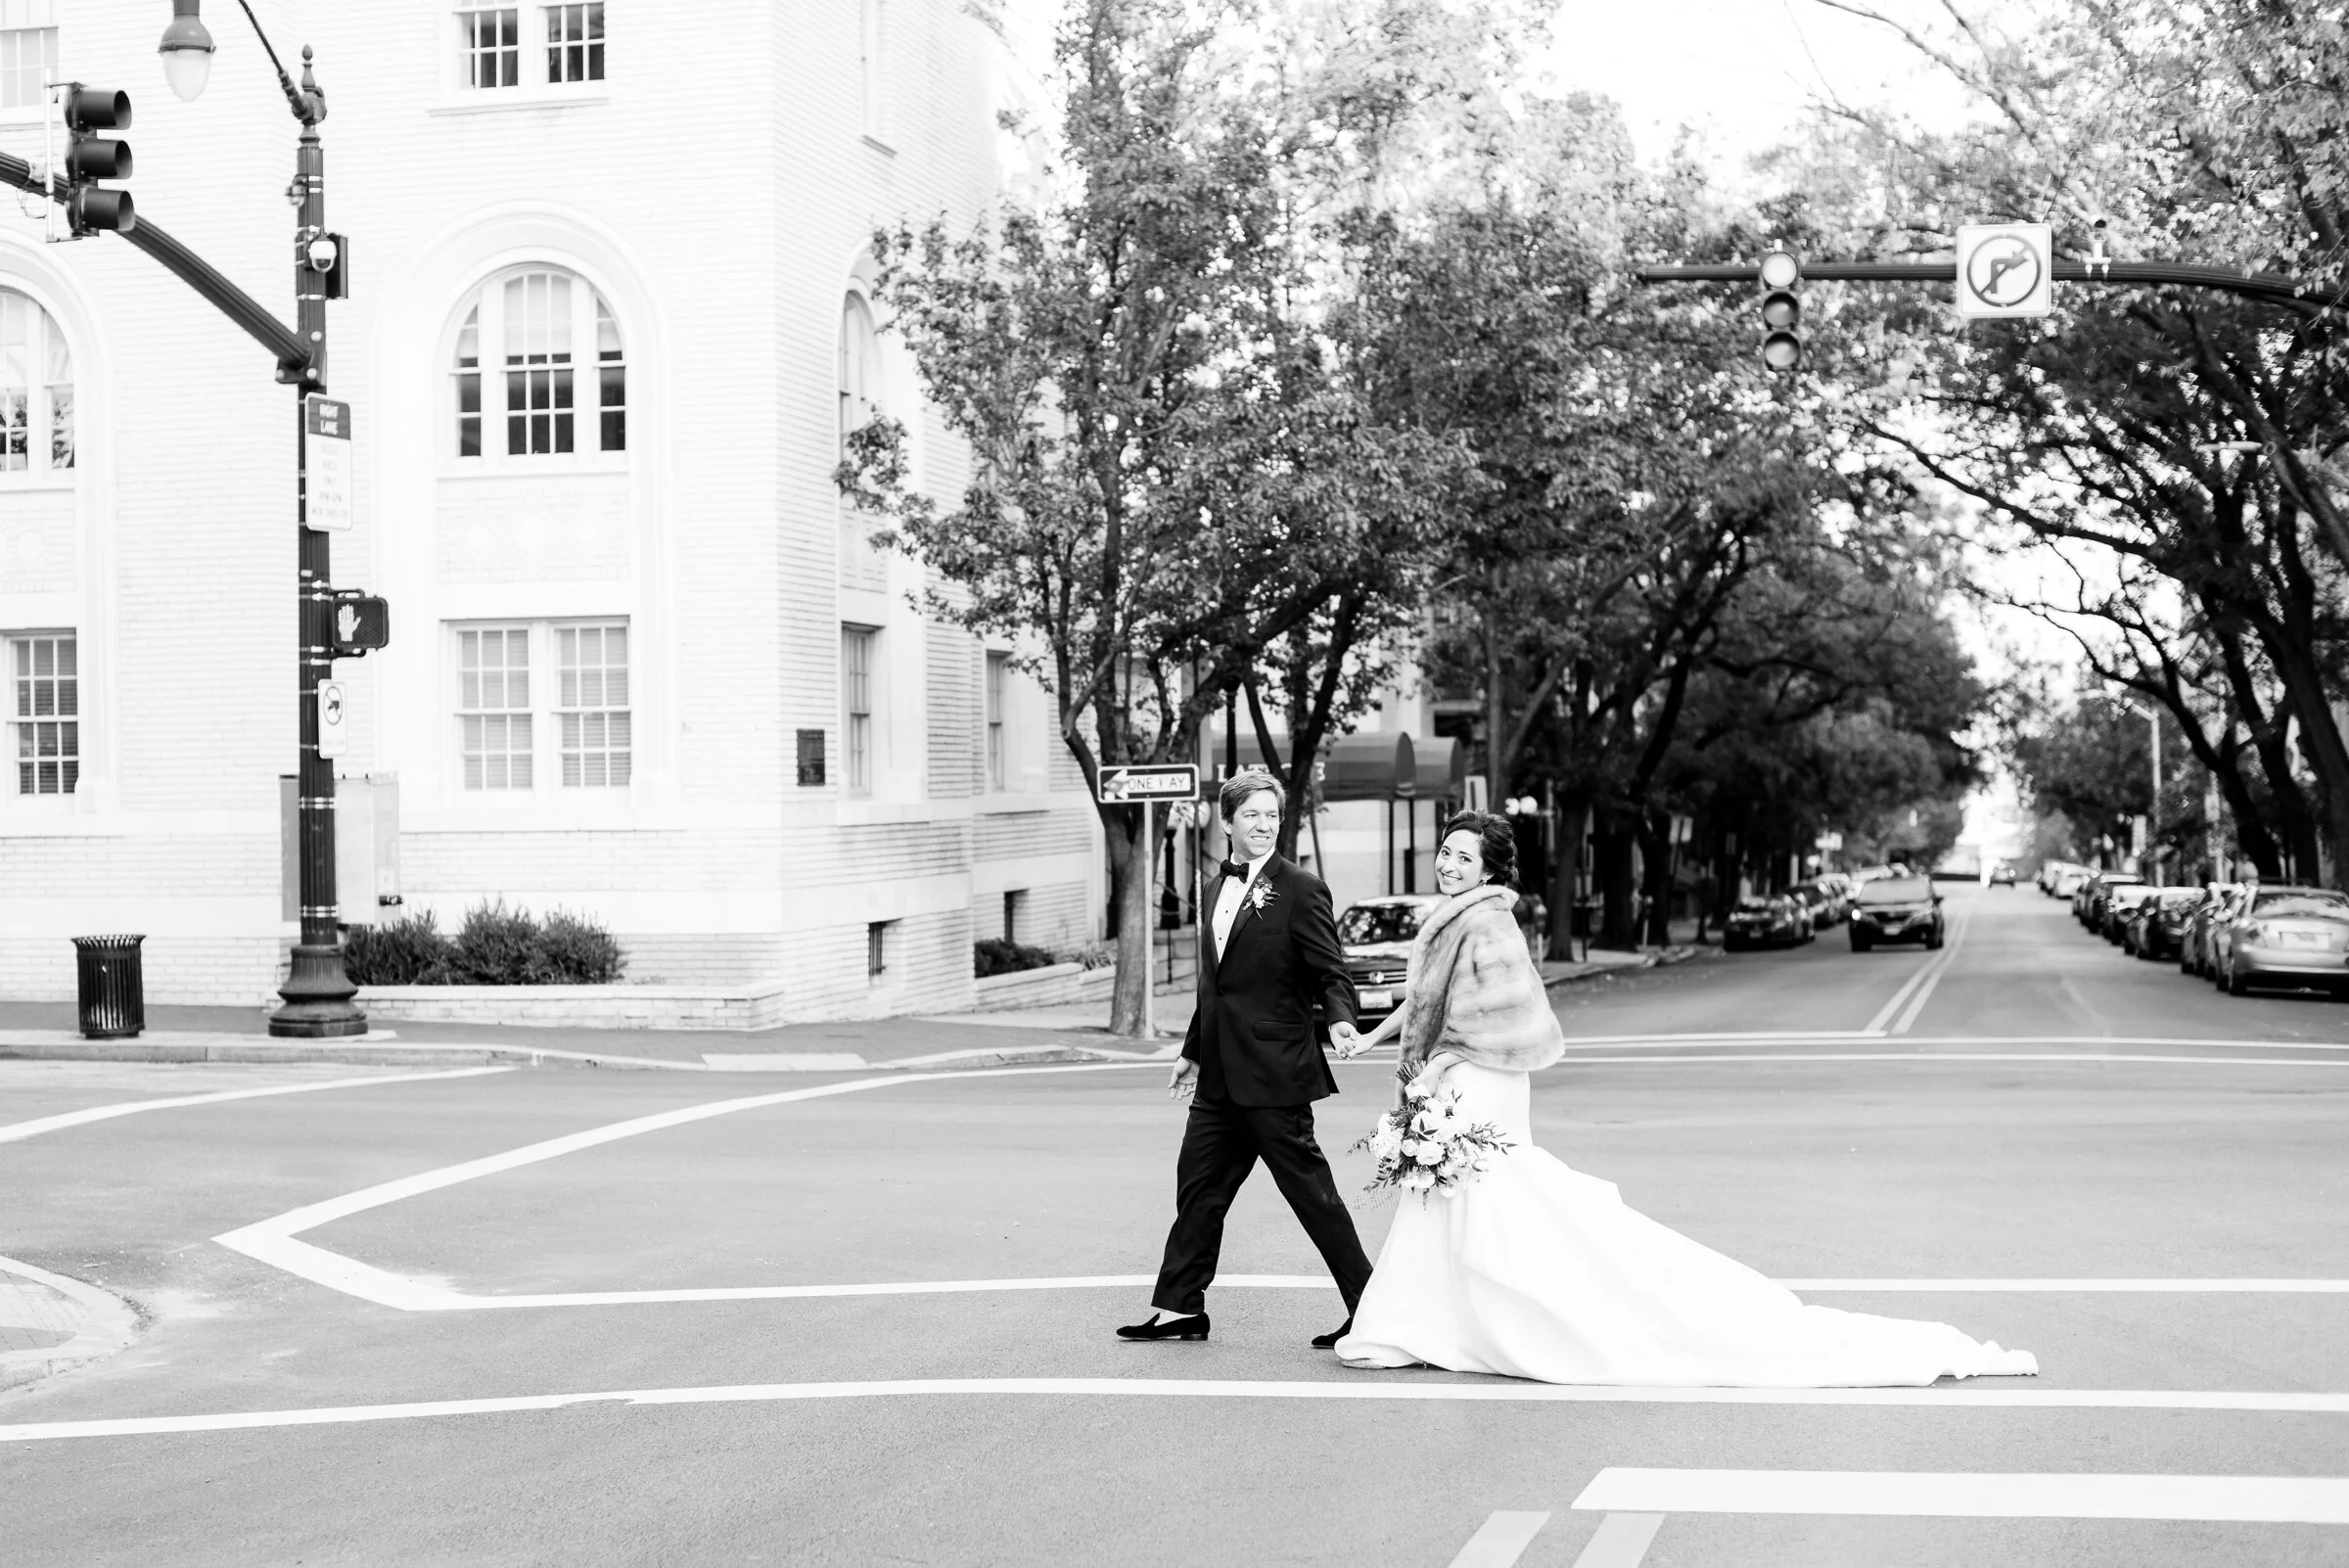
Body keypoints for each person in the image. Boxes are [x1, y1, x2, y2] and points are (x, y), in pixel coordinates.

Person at [1332, 810, 2038, 1387]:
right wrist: (1376, 1042)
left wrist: (1441, 1057)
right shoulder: (1454, 916)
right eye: (1446, 854)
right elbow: (1425, 999)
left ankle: (1472, 1321)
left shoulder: (1485, 922)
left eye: (1463, 856)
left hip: (1479, 1076)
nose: (1449, 864)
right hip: (1457, 1073)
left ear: (1488, 868)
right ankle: (1430, 1320)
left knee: (1481, 1197)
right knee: (1450, 1197)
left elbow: (1497, 1017)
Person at [1118, 770, 1375, 1349]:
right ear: (1228, 822)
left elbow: (1329, 970)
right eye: (1253, 816)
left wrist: (1338, 1018)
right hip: (1219, 1078)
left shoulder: (1303, 889)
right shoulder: (1216, 886)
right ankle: (1181, 1307)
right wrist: (1191, 1053)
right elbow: (1217, 986)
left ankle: (1371, 1305)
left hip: (1276, 1073)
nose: (1264, 826)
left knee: (1313, 1196)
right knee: (1198, 1189)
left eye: (1273, 816)